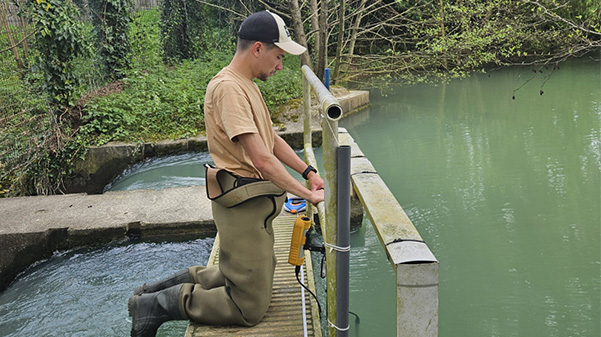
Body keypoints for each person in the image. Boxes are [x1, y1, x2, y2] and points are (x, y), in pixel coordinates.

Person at [128, 10, 325, 337]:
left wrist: (308, 170)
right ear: (258, 49)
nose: (280, 65)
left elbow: (271, 139)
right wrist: (307, 195)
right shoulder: (229, 88)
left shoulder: (246, 85)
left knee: (256, 277)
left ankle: (152, 290)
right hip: (242, 206)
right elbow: (261, 159)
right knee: (248, 307)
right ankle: (159, 304)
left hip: (254, 206)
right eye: (278, 56)